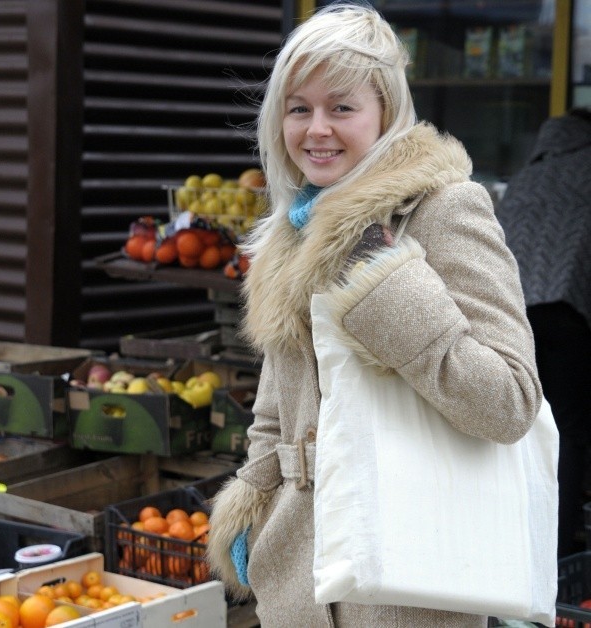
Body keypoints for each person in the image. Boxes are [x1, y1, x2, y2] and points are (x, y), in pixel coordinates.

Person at [207, 3, 542, 627]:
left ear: (385, 110)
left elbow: (510, 403)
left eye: (342, 107)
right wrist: (253, 499)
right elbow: (280, 402)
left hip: (409, 583)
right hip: (298, 579)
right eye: (298, 107)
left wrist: (384, 287)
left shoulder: (446, 209)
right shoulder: (296, 226)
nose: (316, 129)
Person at [495, 107, 591, 558]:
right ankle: (552, 558)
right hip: (566, 312)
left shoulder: (526, 176)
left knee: (522, 427)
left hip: (510, 311)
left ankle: (511, 549)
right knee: (569, 432)